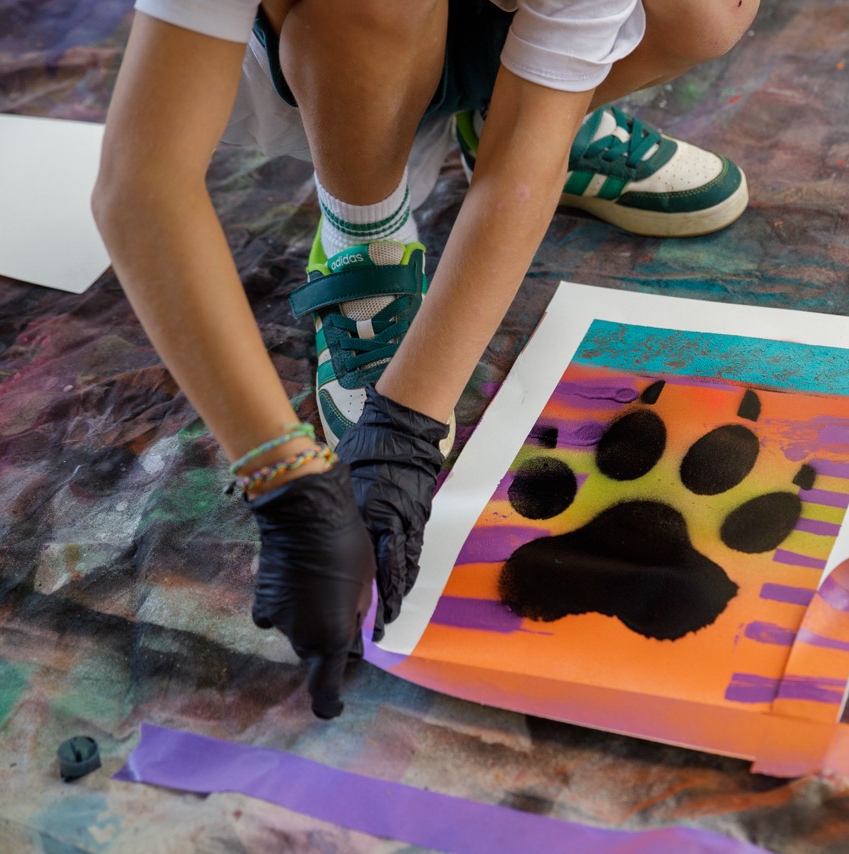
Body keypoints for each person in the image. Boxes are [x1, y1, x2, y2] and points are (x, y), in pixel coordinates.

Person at [92, 0, 758, 718]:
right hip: (331, 41)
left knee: (705, 13)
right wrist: (282, 477)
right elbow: (142, 181)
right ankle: (363, 227)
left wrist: (406, 423)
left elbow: (520, 174)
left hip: (470, 46)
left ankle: (518, 108)